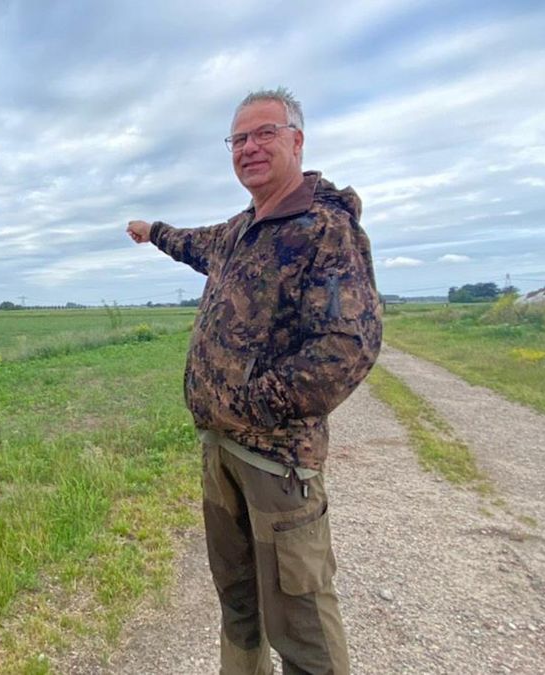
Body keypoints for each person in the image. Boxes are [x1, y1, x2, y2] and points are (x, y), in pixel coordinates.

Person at [126, 87, 382, 675]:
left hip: (276, 461)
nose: (249, 147)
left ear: (297, 140)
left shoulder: (323, 228)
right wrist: (152, 229)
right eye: (239, 138)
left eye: (264, 133)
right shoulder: (242, 231)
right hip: (221, 452)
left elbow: (348, 346)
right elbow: (193, 244)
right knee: (238, 604)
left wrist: (255, 404)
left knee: (301, 619)